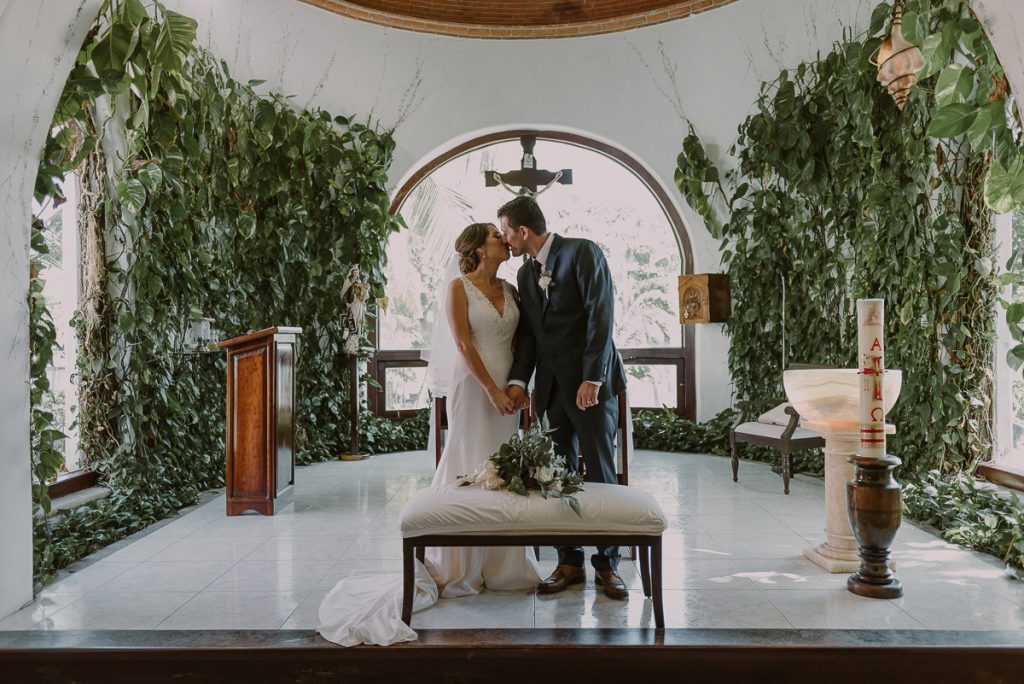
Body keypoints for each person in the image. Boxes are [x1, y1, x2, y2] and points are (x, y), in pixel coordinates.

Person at [317, 222, 539, 647]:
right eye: (496, 235)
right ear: (478, 246)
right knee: (468, 461)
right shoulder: (457, 288)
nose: (503, 241)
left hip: (506, 389)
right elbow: (461, 344)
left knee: (504, 465)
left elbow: (521, 345)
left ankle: (504, 563)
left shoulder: (511, 290)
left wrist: (516, 386)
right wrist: (491, 389)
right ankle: (460, 563)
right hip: (472, 387)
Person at [499, 196, 629, 600]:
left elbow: (600, 315)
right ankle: (568, 561)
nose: (505, 241)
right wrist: (520, 380)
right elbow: (531, 336)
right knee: (555, 476)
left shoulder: (582, 252)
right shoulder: (524, 275)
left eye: (506, 232)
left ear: (523, 231)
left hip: (591, 388)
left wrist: (592, 377)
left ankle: (608, 565)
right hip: (552, 391)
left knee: (602, 475)